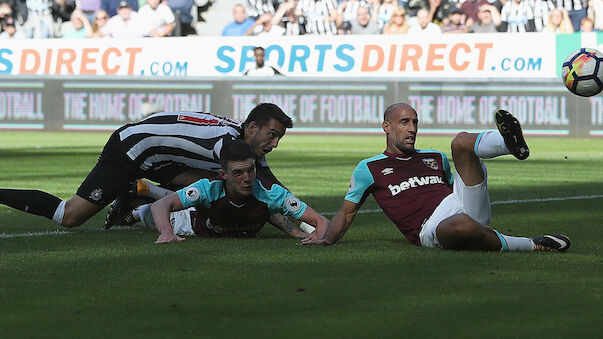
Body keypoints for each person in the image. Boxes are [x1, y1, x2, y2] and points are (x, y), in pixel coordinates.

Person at [302, 103, 571, 253]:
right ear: (387, 127)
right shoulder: (369, 168)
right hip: (430, 228)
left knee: (461, 143)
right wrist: (328, 238)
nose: (412, 129)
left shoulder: (434, 157)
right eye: (404, 122)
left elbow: (453, 186)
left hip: (458, 200)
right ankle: (534, 245)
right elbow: (347, 214)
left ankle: (508, 144)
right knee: (461, 226)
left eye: (415, 122)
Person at [0, 104, 295, 231]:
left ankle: (137, 195)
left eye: (279, 137)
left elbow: (272, 185)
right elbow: (259, 189)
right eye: (272, 135)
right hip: (130, 149)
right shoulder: (229, 144)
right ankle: (136, 192)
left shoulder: (244, 139)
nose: (275, 143)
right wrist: (308, 225)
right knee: (69, 216)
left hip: (161, 158)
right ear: (253, 127)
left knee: (213, 184)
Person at [125, 140, 328, 243]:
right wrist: (167, 233)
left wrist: (317, 235)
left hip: (233, 223)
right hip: (190, 224)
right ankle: (136, 210)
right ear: (223, 174)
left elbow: (322, 222)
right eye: (238, 173)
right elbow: (162, 206)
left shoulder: (272, 193)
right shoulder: (209, 188)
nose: (247, 178)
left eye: (251, 170)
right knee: (153, 216)